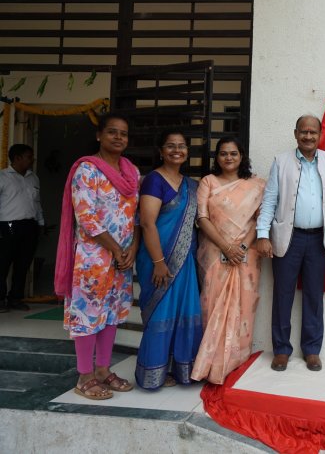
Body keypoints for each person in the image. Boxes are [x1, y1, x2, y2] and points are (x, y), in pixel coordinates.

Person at [256, 115, 325, 372]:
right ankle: (281, 350)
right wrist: (263, 234)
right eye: (303, 132)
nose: (308, 136)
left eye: (313, 132)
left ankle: (311, 350)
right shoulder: (281, 161)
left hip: (318, 239)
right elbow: (269, 201)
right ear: (295, 133)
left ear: (320, 135)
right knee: (282, 295)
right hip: (288, 238)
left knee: (313, 296)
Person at [54, 113, 140, 400]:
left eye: (123, 133)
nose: (118, 137)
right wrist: (115, 248)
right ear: (99, 135)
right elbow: (87, 218)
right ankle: (84, 376)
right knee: (87, 315)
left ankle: (103, 370)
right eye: (112, 132)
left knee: (112, 314)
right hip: (93, 258)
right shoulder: (87, 171)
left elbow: (136, 217)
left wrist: (132, 250)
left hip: (122, 259)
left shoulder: (132, 173)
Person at [191, 137, 266, 384]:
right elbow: (202, 218)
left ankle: (235, 364)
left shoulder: (256, 185)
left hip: (247, 255)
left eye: (233, 153)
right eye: (223, 154)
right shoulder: (208, 182)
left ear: (241, 156)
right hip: (214, 253)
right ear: (217, 157)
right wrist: (226, 246)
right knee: (212, 305)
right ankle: (211, 366)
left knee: (243, 308)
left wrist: (241, 247)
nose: (229, 158)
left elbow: (259, 220)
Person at [135, 130, 202, 389]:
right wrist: (159, 262)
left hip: (185, 261)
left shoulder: (191, 185)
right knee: (160, 313)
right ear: (161, 151)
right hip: (159, 261)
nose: (177, 150)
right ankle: (152, 373)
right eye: (171, 146)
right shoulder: (154, 180)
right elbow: (148, 223)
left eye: (182, 146)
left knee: (184, 313)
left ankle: (179, 370)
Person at [0, 144, 44, 312]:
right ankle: (0, 299)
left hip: (30, 225)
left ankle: (15, 298)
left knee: (23, 264)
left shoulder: (34, 178)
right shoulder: (3, 177)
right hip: (8, 225)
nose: (31, 160)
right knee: (3, 262)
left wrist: (40, 223)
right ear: (17, 158)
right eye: (28, 156)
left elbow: (37, 203)